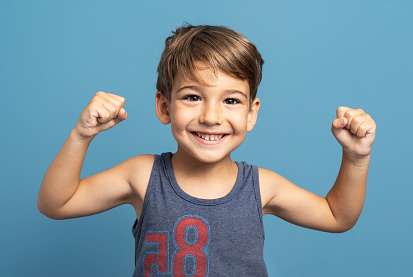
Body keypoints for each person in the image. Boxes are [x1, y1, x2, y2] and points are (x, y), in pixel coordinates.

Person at [38, 24, 376, 276]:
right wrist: (81, 135)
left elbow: (338, 216)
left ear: (251, 113)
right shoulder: (142, 175)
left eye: (230, 100)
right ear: (164, 106)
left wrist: (356, 157)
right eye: (192, 97)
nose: (211, 117)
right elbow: (56, 203)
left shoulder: (261, 187)